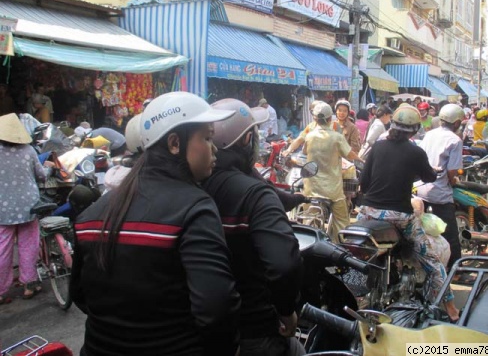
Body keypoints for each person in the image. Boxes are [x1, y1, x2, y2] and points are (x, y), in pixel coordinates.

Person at [70, 92, 241, 355]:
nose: (214, 148)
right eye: (207, 138)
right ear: (174, 143)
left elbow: (82, 296)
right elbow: (216, 307)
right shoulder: (195, 207)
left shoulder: (92, 215)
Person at [204, 99, 304, 356]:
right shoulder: (253, 194)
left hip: (203, 328)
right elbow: (283, 265)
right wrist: (286, 312)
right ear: (248, 139)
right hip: (256, 330)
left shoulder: (193, 183)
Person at [358, 105, 460, 321]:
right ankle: (445, 308)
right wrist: (432, 171)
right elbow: (430, 177)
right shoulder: (416, 152)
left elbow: (364, 183)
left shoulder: (377, 147)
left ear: (392, 125)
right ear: (414, 130)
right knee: (434, 266)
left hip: (366, 214)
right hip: (400, 217)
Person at [0, 113, 50, 304]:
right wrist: (50, 170)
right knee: (28, 244)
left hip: (2, 207)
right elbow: (41, 175)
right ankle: (29, 284)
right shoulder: (28, 150)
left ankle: (2, 290)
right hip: (28, 205)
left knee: (2, 248)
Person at [416, 104, 465, 276]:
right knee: (450, 233)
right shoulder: (455, 140)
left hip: (420, 189)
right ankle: (456, 270)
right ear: (457, 122)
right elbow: (452, 171)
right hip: (440, 192)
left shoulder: (429, 134)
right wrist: (454, 180)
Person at [303, 102, 360, 242]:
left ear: (315, 119)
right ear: (330, 119)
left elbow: (304, 151)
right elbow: (350, 154)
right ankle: (339, 246)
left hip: (311, 189)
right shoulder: (337, 137)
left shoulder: (309, 136)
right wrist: (360, 159)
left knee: (309, 217)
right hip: (333, 190)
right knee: (341, 221)